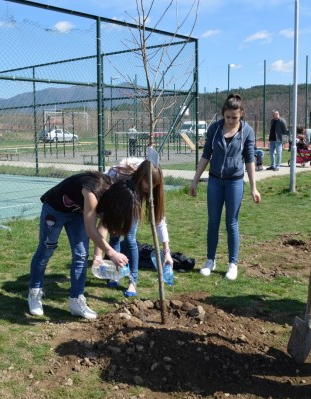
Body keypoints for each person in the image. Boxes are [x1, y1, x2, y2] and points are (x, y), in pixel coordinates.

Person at [28, 172, 139, 319]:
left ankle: (76, 300)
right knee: (46, 250)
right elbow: (91, 230)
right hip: (55, 209)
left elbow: (102, 227)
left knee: (81, 254)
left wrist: (98, 256)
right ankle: (34, 293)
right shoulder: (93, 193)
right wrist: (112, 253)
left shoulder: (110, 197)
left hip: (77, 213)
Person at [189, 94, 261, 280]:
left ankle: (232, 263)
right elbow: (206, 155)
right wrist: (195, 180)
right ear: (223, 114)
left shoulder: (247, 132)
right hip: (215, 181)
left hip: (235, 182)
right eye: (228, 117)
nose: (230, 121)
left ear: (241, 114)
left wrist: (254, 187)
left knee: (231, 223)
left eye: (235, 117)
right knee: (213, 222)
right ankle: (210, 260)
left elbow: (250, 160)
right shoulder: (214, 129)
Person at [92, 158, 172, 297]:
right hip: (117, 203)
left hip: (134, 206)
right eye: (148, 182)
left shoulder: (151, 190)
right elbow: (102, 222)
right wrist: (97, 255)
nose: (151, 187)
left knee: (130, 239)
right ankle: (115, 273)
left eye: (155, 185)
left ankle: (133, 280)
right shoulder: (120, 177)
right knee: (114, 237)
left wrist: (167, 251)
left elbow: (160, 220)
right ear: (141, 176)